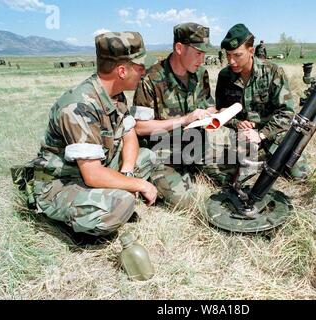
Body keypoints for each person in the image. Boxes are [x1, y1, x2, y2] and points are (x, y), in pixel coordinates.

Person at [13, 32, 159, 237]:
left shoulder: (116, 96)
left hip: (96, 168)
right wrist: (139, 184)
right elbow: (93, 175)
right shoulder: (79, 106)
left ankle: (109, 194)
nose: (143, 73)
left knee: (148, 157)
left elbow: (129, 135)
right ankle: (63, 219)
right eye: (140, 67)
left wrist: (126, 173)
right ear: (122, 71)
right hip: (61, 183)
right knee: (121, 203)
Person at [133, 22, 220, 209]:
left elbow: (209, 105)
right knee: (188, 203)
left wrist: (211, 115)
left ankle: (193, 171)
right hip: (164, 154)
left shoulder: (200, 74)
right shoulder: (151, 79)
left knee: (234, 174)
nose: (202, 59)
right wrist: (184, 120)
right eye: (198, 53)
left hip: (196, 145)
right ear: (179, 48)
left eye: (204, 53)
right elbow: (139, 127)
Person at [215, 24, 310, 180]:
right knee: (227, 177)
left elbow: (286, 113)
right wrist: (236, 123)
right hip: (240, 135)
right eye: (228, 55)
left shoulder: (273, 72)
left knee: (299, 175)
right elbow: (220, 112)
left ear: (251, 51)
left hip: (271, 132)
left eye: (237, 55)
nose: (231, 61)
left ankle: (266, 158)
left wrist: (261, 134)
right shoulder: (224, 76)